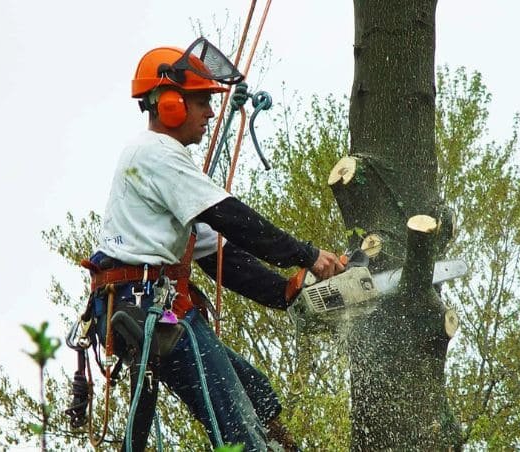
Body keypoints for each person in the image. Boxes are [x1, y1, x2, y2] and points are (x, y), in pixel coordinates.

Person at [85, 38, 345, 452]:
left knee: (254, 391)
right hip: (150, 308)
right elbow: (229, 216)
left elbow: (216, 252)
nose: (210, 113)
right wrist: (307, 254)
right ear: (170, 103)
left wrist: (282, 290)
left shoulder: (162, 167)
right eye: (202, 101)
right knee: (238, 428)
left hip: (155, 304)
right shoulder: (155, 153)